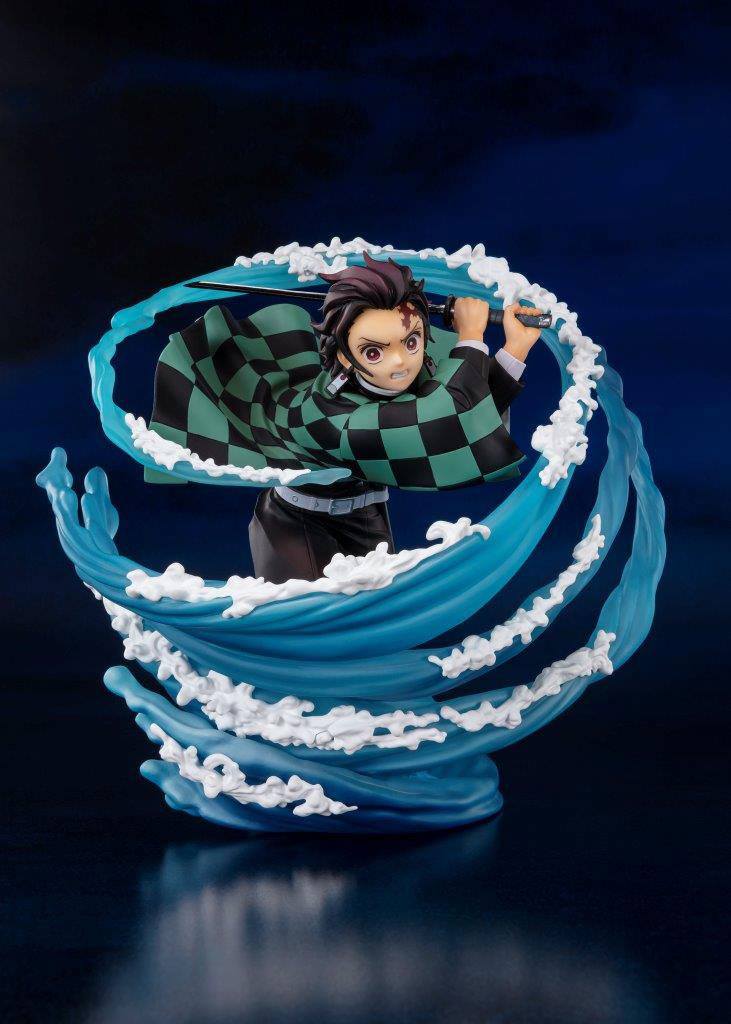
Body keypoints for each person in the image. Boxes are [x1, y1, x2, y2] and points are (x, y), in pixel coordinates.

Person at [146, 254, 543, 584]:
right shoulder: (328, 416)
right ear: (342, 355)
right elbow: (441, 421)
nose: (400, 362)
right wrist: (471, 337)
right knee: (310, 633)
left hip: (366, 515)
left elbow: (467, 416)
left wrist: (515, 350)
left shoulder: (406, 378)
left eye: (411, 341)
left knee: (378, 620)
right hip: (296, 524)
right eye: (374, 352)